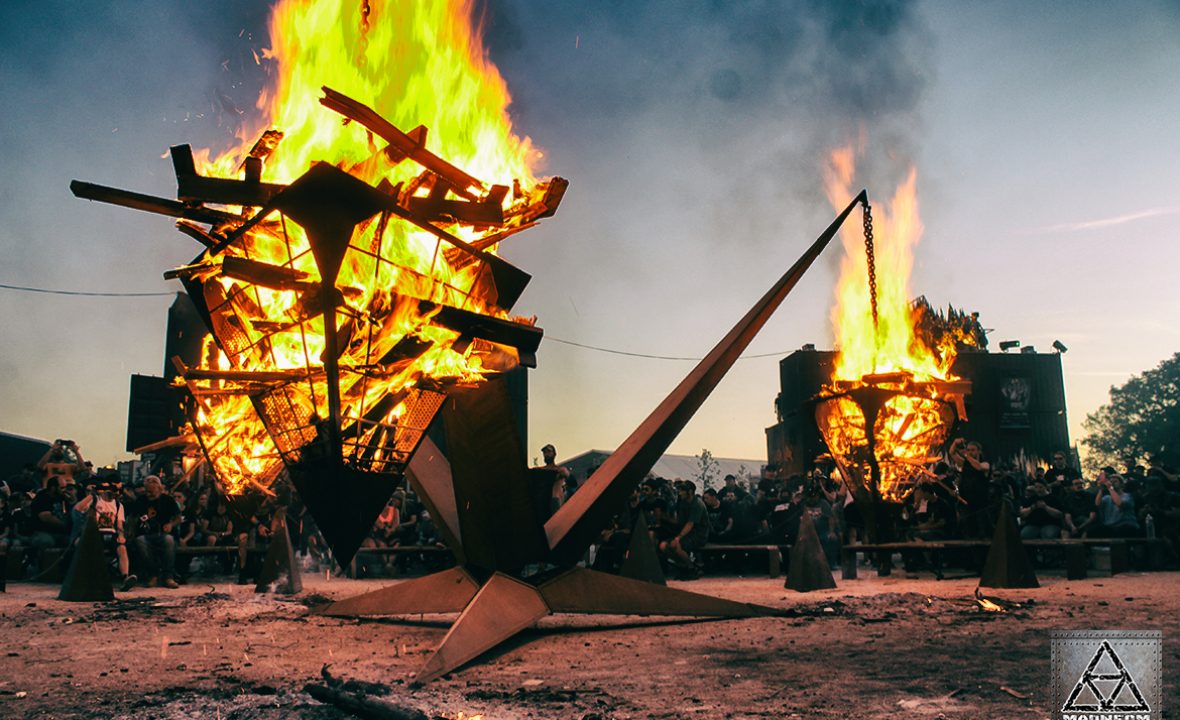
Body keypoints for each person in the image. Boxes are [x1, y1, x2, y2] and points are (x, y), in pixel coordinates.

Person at [73, 476, 133, 589]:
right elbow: (78, 509)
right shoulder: (95, 500)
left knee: (122, 548)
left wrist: (121, 536)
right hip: (95, 532)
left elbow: (119, 525)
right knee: (85, 545)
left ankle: (125, 576)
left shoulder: (118, 505)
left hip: (111, 533)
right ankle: (88, 578)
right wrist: (93, 494)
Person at [129, 475, 180, 588]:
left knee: (169, 541)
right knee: (140, 541)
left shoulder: (168, 500)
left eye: (151, 491)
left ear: (159, 489)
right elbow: (132, 518)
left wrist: (171, 524)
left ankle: (168, 576)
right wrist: (131, 532)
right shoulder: (141, 500)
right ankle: (153, 574)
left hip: (164, 534)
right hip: (145, 534)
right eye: (147, 491)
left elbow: (178, 517)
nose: (149, 494)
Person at [659, 480, 709, 580]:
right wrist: (665, 518)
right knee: (663, 546)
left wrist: (678, 537)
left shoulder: (697, 504)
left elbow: (690, 524)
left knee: (676, 545)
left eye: (682, 490)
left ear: (690, 491)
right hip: (686, 533)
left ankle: (692, 568)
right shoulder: (682, 503)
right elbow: (679, 522)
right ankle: (683, 566)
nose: (679, 493)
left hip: (698, 535)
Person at [950, 438, 992, 539]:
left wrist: (966, 455)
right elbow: (952, 453)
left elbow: (979, 467)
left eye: (973, 450)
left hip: (980, 504)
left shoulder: (985, 463)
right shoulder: (965, 463)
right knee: (968, 529)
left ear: (979, 451)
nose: (969, 452)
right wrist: (955, 442)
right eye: (968, 450)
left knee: (981, 530)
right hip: (966, 502)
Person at [1092, 472, 1140, 538]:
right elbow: (1097, 504)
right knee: (1092, 531)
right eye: (1111, 481)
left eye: (1115, 481)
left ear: (1121, 484)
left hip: (1126, 526)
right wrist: (1101, 489)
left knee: (1120, 532)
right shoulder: (1107, 498)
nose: (1113, 483)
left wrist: (1110, 488)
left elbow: (1119, 504)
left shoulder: (1127, 496)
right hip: (1110, 527)